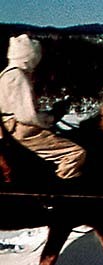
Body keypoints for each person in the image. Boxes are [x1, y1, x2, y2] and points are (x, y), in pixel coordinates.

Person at [0, 34, 85, 179]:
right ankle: (61, 190)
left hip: (8, 127)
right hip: (20, 130)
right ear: (30, 56)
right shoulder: (18, 76)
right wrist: (52, 116)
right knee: (75, 153)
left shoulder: (6, 74)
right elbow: (27, 116)